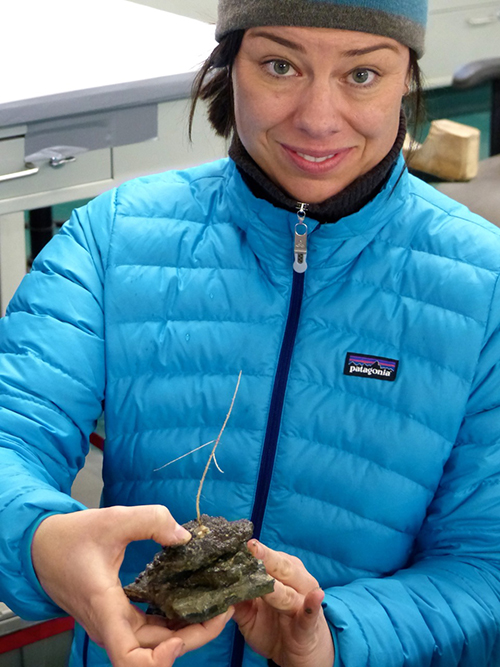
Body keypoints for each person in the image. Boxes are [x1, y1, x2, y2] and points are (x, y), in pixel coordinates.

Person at [0, 0, 499, 665]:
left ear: (406, 76)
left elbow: (486, 562)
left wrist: (334, 640)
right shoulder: (112, 239)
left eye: (362, 75)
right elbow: (10, 434)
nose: (318, 118)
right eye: (279, 65)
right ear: (229, 63)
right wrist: (37, 538)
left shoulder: (485, 291)